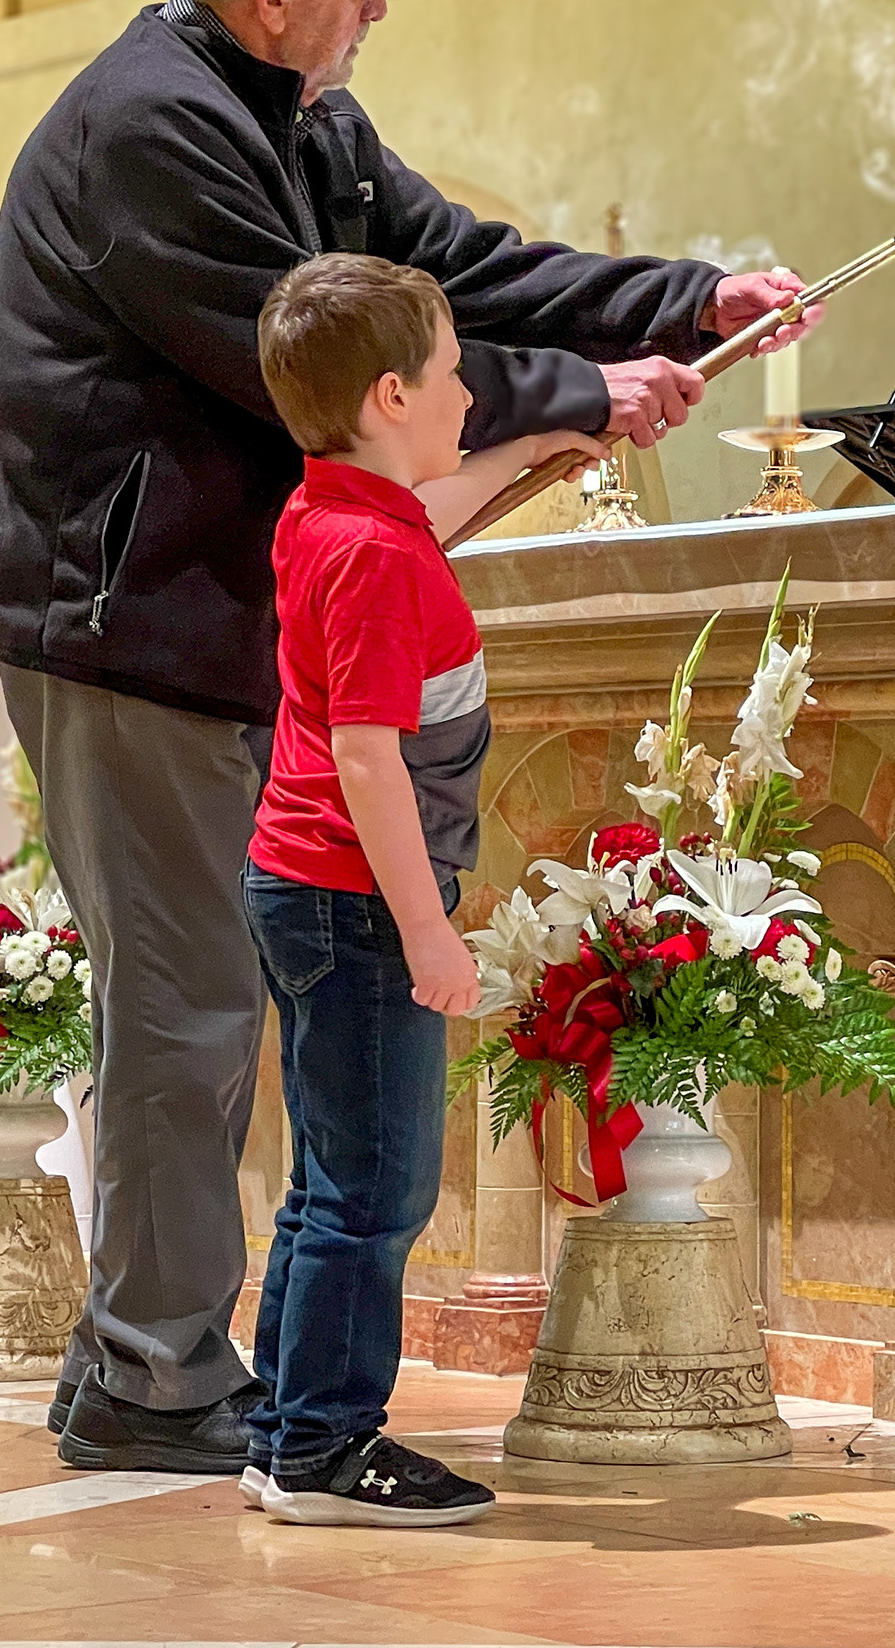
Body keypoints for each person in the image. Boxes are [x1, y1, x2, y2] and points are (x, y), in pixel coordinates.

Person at [0, 0, 820, 1473]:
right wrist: (571, 394)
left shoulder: (301, 115)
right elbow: (325, 353)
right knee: (189, 1005)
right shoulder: (156, 124)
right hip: (119, 616)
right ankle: (153, 1371)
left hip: (199, 614)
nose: (379, 10)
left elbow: (456, 269)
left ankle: (142, 1351)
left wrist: (687, 304)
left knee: (199, 1004)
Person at [237, 252, 555, 1525]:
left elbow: (440, 496)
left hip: (309, 890)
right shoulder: (374, 558)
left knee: (329, 1182)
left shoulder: (334, 512)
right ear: (388, 396)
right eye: (451, 375)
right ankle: (325, 1449)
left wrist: (547, 454)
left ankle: (282, 1433)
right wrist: (431, 935)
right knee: (377, 1190)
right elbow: (369, 758)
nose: (471, 394)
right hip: (357, 902)